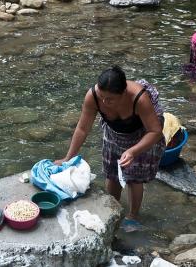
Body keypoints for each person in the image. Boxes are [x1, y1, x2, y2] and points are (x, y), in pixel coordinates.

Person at [56, 66, 164, 231]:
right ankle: (111, 210)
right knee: (112, 173)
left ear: (123, 93)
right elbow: (82, 128)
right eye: (102, 97)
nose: (104, 102)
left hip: (142, 133)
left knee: (134, 176)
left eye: (110, 99)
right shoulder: (93, 96)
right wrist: (68, 158)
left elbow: (155, 131)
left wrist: (132, 151)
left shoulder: (139, 98)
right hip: (114, 132)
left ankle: (133, 216)